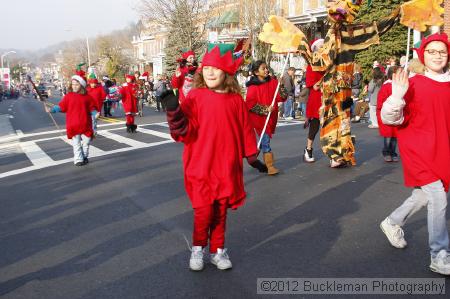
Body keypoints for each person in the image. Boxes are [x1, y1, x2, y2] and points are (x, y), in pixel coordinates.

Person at [161, 43, 267, 271]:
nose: (209, 72)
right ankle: (198, 248)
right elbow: (183, 131)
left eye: (215, 68)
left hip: (226, 167)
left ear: (227, 72)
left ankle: (217, 250)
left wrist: (252, 157)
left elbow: (245, 130)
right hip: (200, 165)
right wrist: (173, 111)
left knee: (220, 212)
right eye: (206, 67)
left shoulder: (236, 100)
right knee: (203, 210)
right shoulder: (196, 97)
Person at [379, 33, 450, 275]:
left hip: (442, 149)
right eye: (432, 51)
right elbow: (390, 118)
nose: (438, 56)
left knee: (423, 196)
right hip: (418, 150)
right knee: (438, 197)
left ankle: (393, 221)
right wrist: (397, 95)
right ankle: (440, 254)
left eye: (442, 51)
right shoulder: (414, 82)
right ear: (423, 54)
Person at [46, 71, 96, 166]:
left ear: (81, 85)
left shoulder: (87, 97)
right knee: (76, 143)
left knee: (86, 142)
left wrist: (95, 113)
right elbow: (61, 106)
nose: (74, 86)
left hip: (86, 123)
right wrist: (52, 110)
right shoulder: (68, 96)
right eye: (73, 84)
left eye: (77, 84)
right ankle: (78, 159)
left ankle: (84, 156)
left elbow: (92, 107)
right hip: (73, 124)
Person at [245, 60, 286, 175]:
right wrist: (265, 109)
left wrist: (281, 84)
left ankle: (255, 158)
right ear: (256, 72)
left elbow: (282, 97)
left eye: (266, 68)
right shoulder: (252, 87)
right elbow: (250, 104)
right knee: (265, 141)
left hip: (270, 117)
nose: (266, 70)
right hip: (259, 119)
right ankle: (270, 166)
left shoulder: (272, 82)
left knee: (264, 140)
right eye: (263, 68)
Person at [303, 39, 325, 163]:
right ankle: (308, 148)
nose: (323, 49)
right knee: (315, 126)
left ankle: (334, 152)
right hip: (317, 99)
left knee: (331, 125)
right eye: (321, 47)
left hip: (329, 97)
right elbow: (315, 86)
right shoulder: (311, 66)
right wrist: (326, 79)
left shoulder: (328, 64)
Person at [376, 65, 400, 162]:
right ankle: (386, 152)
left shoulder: (398, 85)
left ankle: (393, 152)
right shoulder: (386, 86)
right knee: (389, 136)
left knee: (394, 136)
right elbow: (381, 102)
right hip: (387, 114)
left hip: (396, 114)